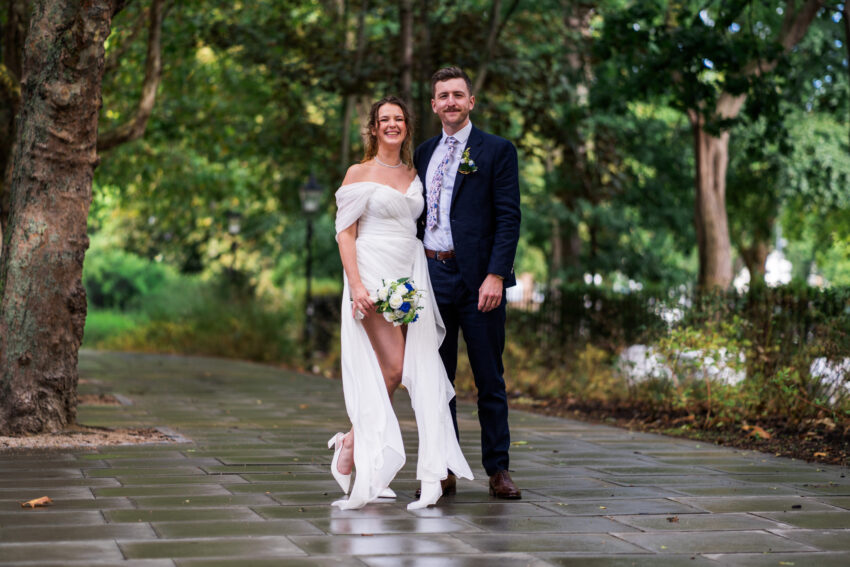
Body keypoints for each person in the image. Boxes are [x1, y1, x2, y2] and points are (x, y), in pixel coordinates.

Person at [330, 95, 473, 510]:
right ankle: (360, 453)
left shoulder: (414, 171)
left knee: (412, 368)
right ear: (373, 128)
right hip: (371, 273)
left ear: (407, 127)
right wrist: (357, 285)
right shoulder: (359, 172)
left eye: (398, 119)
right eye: (383, 120)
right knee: (393, 366)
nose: (391, 125)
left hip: (409, 275)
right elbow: (345, 233)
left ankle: (353, 446)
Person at [414, 67, 522, 499]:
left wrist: (496, 274)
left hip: (480, 279)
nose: (451, 102)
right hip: (432, 274)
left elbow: (508, 217)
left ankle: (498, 469)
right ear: (434, 104)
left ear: (471, 102)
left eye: (458, 94)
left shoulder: (497, 150)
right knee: (437, 379)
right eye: (443, 95)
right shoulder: (423, 153)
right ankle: (444, 467)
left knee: (488, 377)